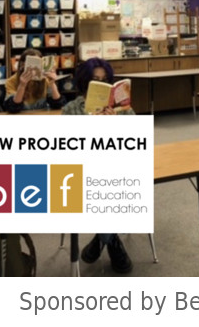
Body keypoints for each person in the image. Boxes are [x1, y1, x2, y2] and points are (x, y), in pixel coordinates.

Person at [62, 57, 134, 274]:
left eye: (105, 81)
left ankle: (101, 240)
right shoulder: (71, 110)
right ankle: (112, 242)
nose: (100, 84)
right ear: (85, 82)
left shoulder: (121, 109)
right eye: (95, 80)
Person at [3, 48, 65, 113]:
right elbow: (12, 108)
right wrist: (22, 85)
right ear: (22, 64)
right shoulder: (11, 81)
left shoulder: (45, 79)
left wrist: (52, 83)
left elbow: (58, 105)